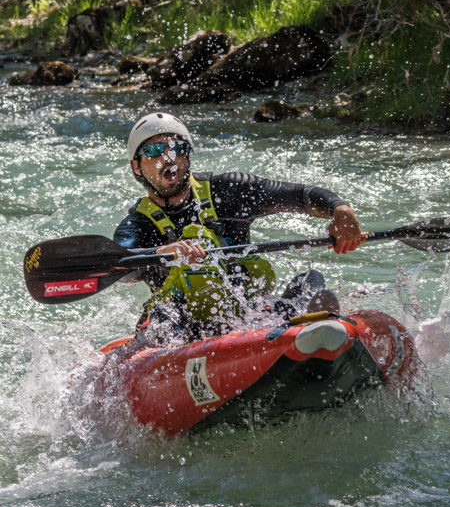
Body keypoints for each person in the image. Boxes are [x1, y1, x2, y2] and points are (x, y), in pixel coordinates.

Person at [114, 111, 363, 339]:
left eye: (177, 148)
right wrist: (161, 253)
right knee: (161, 318)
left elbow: (298, 195)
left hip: (247, 312)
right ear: (137, 165)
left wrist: (339, 209)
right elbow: (119, 264)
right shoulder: (137, 223)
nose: (168, 158)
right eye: (155, 150)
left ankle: (313, 325)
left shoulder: (230, 190)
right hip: (183, 323)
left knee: (310, 280)